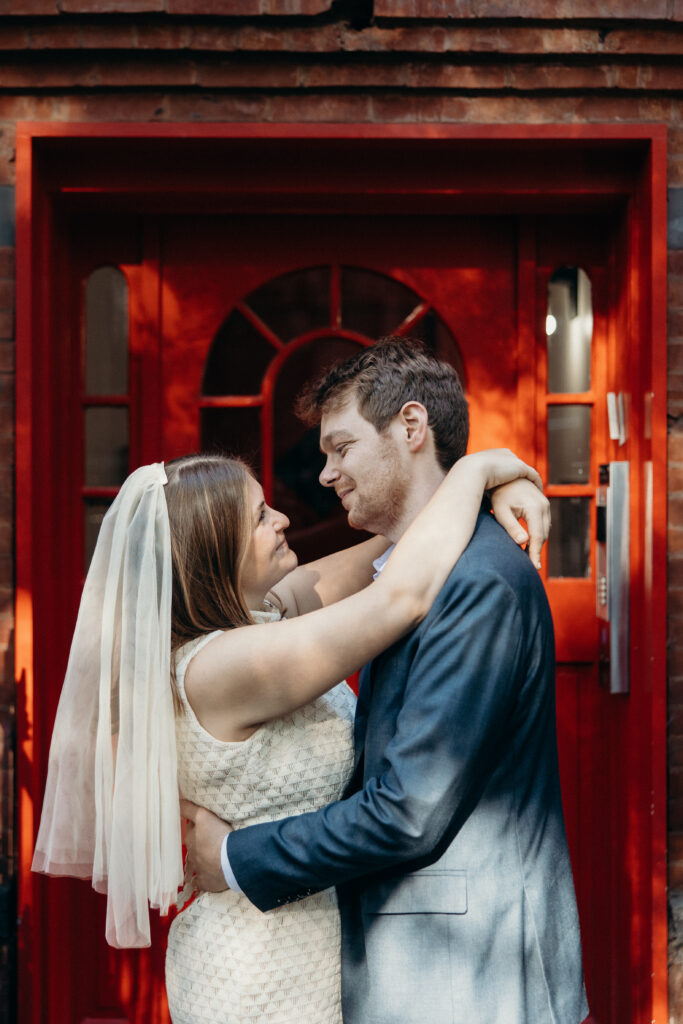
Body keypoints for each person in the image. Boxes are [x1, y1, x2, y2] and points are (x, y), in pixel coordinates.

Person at [31, 429, 546, 1024]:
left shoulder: (263, 617)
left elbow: (392, 549)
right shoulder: (222, 667)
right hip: (260, 972)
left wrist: (487, 494)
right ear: (215, 554)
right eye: (259, 517)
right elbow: (400, 596)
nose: (282, 519)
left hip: (309, 947)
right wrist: (481, 468)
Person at [183, 339, 589, 1024]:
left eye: (340, 447)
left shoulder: (477, 582)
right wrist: (480, 476)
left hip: (467, 982)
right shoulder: (408, 574)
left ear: (410, 426)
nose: (323, 475)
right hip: (396, 968)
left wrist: (231, 857)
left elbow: (409, 810)